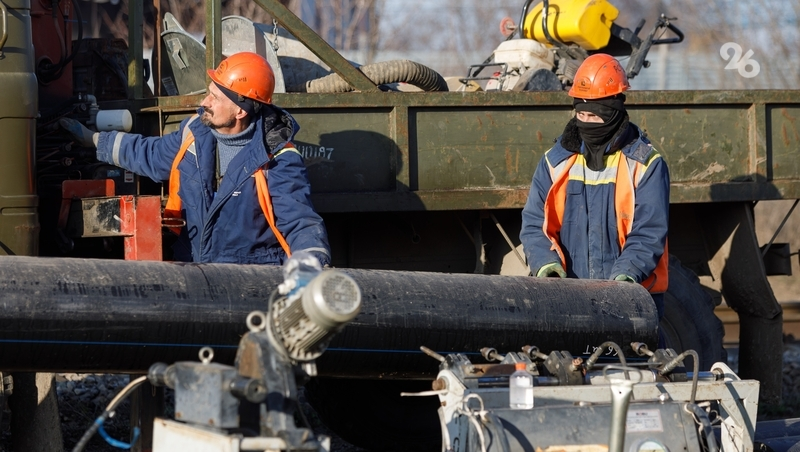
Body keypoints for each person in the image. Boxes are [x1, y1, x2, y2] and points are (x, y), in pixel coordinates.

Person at [60, 52, 331, 266]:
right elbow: (151, 154)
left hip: (249, 279)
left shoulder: (278, 158)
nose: (204, 102)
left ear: (240, 111)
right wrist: (94, 140)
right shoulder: (194, 133)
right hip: (195, 271)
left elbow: (299, 222)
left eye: (215, 97)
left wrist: (310, 266)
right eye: (208, 92)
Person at [519, 53, 669, 318]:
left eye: (594, 116)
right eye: (581, 114)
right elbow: (534, 224)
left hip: (633, 299)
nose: (586, 122)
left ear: (613, 113)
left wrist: (626, 278)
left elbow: (649, 232)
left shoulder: (646, 164)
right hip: (569, 300)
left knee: (645, 348)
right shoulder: (555, 162)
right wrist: (546, 265)